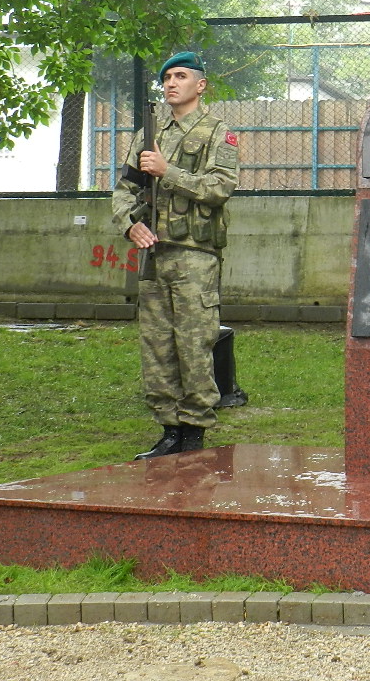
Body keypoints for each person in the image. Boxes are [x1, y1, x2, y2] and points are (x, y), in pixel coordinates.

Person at [112, 52, 238, 460]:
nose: (171, 83)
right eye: (166, 77)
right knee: (157, 344)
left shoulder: (219, 133)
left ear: (200, 85)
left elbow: (221, 187)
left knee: (193, 343)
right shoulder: (148, 134)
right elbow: (124, 189)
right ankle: (168, 428)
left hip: (195, 255)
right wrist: (130, 224)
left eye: (181, 76)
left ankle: (194, 430)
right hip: (155, 253)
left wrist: (169, 172)